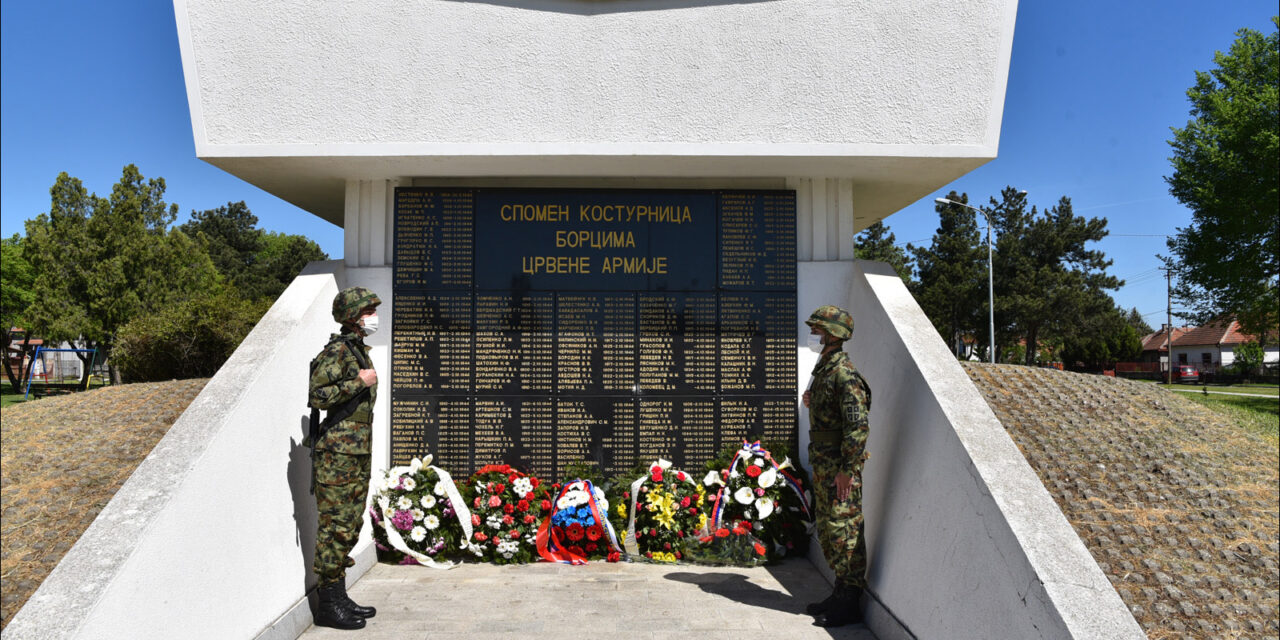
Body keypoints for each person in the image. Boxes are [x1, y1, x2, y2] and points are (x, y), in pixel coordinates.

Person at [307, 286, 382, 630]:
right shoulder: (337, 352)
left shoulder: (357, 351)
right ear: (352, 316)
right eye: (368, 311)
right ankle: (327, 604)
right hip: (337, 456)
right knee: (334, 527)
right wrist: (359, 382)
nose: (373, 317)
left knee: (350, 524)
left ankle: (338, 596)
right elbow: (318, 395)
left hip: (354, 453)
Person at [801, 305, 871, 628]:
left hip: (840, 469)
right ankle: (840, 591)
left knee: (846, 532)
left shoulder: (844, 372)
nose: (816, 332)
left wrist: (847, 469)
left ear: (834, 334)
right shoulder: (825, 367)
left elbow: (858, 427)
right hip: (825, 464)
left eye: (820, 328)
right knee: (830, 532)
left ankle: (850, 603)